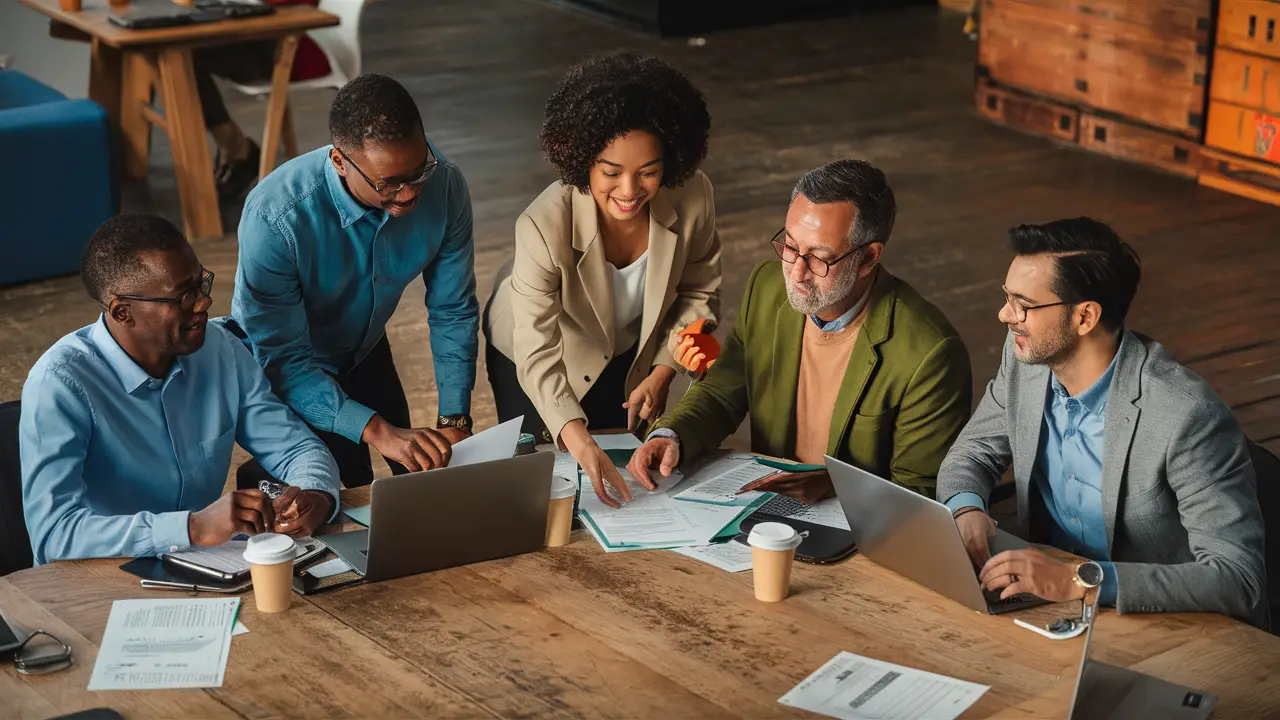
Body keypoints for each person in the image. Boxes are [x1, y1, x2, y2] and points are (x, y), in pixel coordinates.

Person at [937, 218, 1267, 627]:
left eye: (1023, 303)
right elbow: (972, 452)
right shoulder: (1027, 357)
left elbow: (1239, 579)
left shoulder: (1185, 416)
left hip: (1155, 621)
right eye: (1007, 296)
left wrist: (1081, 580)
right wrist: (965, 511)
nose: (1005, 314)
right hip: (1044, 605)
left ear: (1085, 317)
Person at [628, 159, 972, 504]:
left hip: (858, 530)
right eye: (791, 247)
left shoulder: (930, 354)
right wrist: (673, 436)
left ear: (868, 258)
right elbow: (722, 393)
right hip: (765, 511)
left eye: (819, 258)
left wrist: (835, 488)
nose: (796, 273)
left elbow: (922, 492)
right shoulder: (766, 286)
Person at [19, 214, 340, 565]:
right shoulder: (60, 384)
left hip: (205, 568)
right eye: (183, 297)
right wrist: (191, 527)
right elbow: (53, 535)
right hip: (98, 579)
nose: (203, 304)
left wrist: (316, 494)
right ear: (123, 312)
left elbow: (294, 447)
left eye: (201, 284)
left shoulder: (219, 349)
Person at [483, 51, 720, 508]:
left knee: (627, 482)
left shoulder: (694, 195)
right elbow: (537, 350)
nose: (629, 191)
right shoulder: (542, 224)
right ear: (582, 161)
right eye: (611, 173)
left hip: (630, 348)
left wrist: (664, 370)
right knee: (551, 487)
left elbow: (700, 292)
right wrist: (577, 437)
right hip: (533, 350)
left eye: (648, 172)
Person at [231, 73, 476, 488]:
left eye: (418, 171)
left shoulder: (444, 183)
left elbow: (452, 309)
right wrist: (377, 430)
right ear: (340, 162)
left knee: (424, 471)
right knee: (340, 482)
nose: (408, 195)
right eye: (387, 184)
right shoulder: (273, 218)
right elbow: (285, 360)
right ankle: (265, 477)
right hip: (292, 359)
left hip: (366, 346)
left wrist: (454, 417)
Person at [191, 0, 337, 198]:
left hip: (289, 42)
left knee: (183, 56)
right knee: (172, 51)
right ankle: (234, 146)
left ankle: (235, 147)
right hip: (258, 30)